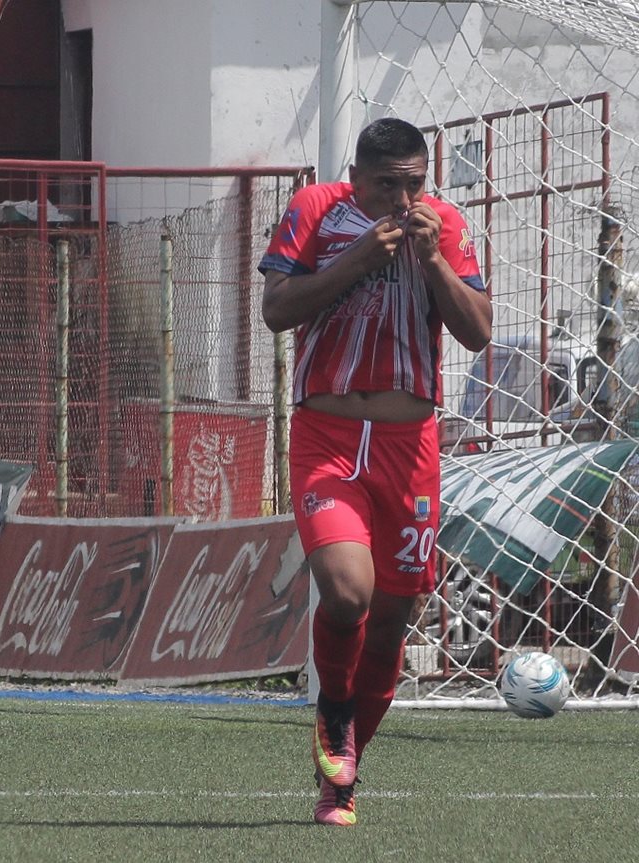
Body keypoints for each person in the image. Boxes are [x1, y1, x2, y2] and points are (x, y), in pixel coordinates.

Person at [259, 118, 492, 826]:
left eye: (415, 183)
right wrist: (358, 259)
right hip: (327, 436)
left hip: (408, 445)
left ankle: (340, 780)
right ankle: (333, 710)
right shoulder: (316, 210)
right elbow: (276, 309)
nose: (404, 197)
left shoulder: (444, 225)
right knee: (347, 592)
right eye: (388, 183)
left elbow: (478, 330)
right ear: (356, 176)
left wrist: (434, 264)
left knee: (391, 620)